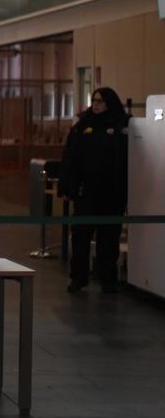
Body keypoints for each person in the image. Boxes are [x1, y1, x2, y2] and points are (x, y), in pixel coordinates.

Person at [59, 86, 129, 294]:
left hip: (112, 193)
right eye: (94, 101)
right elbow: (70, 157)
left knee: (109, 238)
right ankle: (79, 278)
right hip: (86, 193)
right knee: (80, 235)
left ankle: (107, 279)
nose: (96, 105)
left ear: (109, 103)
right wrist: (67, 185)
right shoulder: (83, 125)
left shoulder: (121, 125)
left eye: (100, 101)